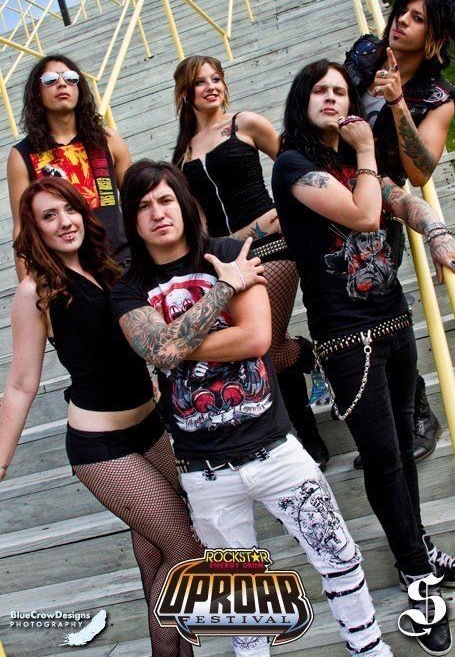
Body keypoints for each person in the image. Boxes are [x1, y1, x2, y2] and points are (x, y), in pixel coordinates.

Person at [111, 159, 392, 657]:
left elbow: (258, 338)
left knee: (339, 558)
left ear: (184, 204)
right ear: (132, 219)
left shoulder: (227, 251)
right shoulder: (130, 288)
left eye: (166, 199)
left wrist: (175, 340)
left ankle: (369, 648)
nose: (158, 212)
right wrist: (224, 289)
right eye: (143, 205)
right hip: (205, 473)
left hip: (276, 451)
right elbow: (158, 353)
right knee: (240, 603)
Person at [272, 59, 455, 656]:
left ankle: (419, 546)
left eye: (340, 89)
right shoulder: (294, 165)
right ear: (302, 101)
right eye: (320, 91)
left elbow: (397, 200)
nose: (332, 98)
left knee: (405, 445)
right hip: (347, 338)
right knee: (383, 458)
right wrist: (363, 148)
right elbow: (361, 212)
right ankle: (415, 575)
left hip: (393, 319)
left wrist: (437, 232)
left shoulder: (351, 159)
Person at [0, 176, 206, 657]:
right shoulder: (36, 293)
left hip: (150, 430)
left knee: (157, 556)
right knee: (186, 546)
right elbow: (20, 384)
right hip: (103, 447)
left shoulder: (112, 267)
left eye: (69, 209)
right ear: (34, 229)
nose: (64, 222)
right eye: (48, 216)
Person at [171, 55, 329, 469]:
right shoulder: (182, 155)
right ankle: (310, 439)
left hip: (274, 246)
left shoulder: (245, 123)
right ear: (185, 93)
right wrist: (232, 242)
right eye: (201, 82)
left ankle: (316, 361)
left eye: (217, 79)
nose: (212, 87)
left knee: (269, 348)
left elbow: (295, 168)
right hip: (227, 261)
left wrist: (287, 213)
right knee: (265, 352)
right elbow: (200, 227)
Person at [344, 0, 455, 463]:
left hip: (380, 209)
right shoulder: (366, 52)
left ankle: (415, 411)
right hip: (330, 191)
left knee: (378, 311)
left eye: (417, 19)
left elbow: (419, 170)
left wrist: (396, 103)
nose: (402, 23)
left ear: (435, 38)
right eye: (402, 12)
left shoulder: (438, 95)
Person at [7, 54, 131, 279]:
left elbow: (137, 200)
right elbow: (21, 230)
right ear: (37, 92)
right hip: (68, 275)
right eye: (50, 80)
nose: (62, 84)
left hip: (122, 261)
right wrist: (29, 289)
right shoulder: (22, 155)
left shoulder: (108, 139)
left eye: (71, 78)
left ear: (80, 88)